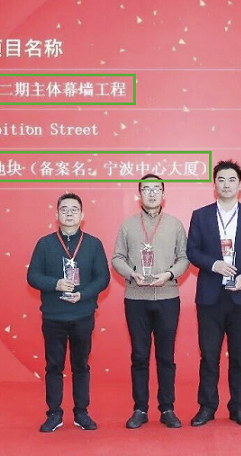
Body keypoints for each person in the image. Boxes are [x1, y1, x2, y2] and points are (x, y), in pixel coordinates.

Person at [187, 159, 241, 427]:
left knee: (239, 357)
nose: (226, 184)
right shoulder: (201, 215)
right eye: (221, 179)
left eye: (232, 180)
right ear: (214, 184)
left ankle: (238, 407)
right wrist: (214, 264)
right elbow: (192, 250)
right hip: (210, 297)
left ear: (239, 185)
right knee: (209, 356)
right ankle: (207, 407)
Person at [27, 192, 111, 433]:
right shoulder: (45, 244)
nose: (69, 213)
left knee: (81, 365)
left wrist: (82, 295)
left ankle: (81, 412)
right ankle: (54, 413)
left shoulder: (93, 244)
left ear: (82, 215)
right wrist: (56, 284)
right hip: (53, 316)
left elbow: (103, 278)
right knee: (54, 366)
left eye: (74, 209)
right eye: (64, 209)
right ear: (57, 215)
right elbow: (32, 276)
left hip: (83, 314)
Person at [111, 173, 190, 429]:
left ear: (164, 194)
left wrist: (169, 274)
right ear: (139, 195)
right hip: (136, 298)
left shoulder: (175, 225)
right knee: (139, 355)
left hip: (168, 297)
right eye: (146, 189)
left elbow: (184, 258)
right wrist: (131, 273)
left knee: (166, 357)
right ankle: (140, 409)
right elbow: (117, 258)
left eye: (156, 189)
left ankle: (167, 408)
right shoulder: (128, 225)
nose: (152, 193)